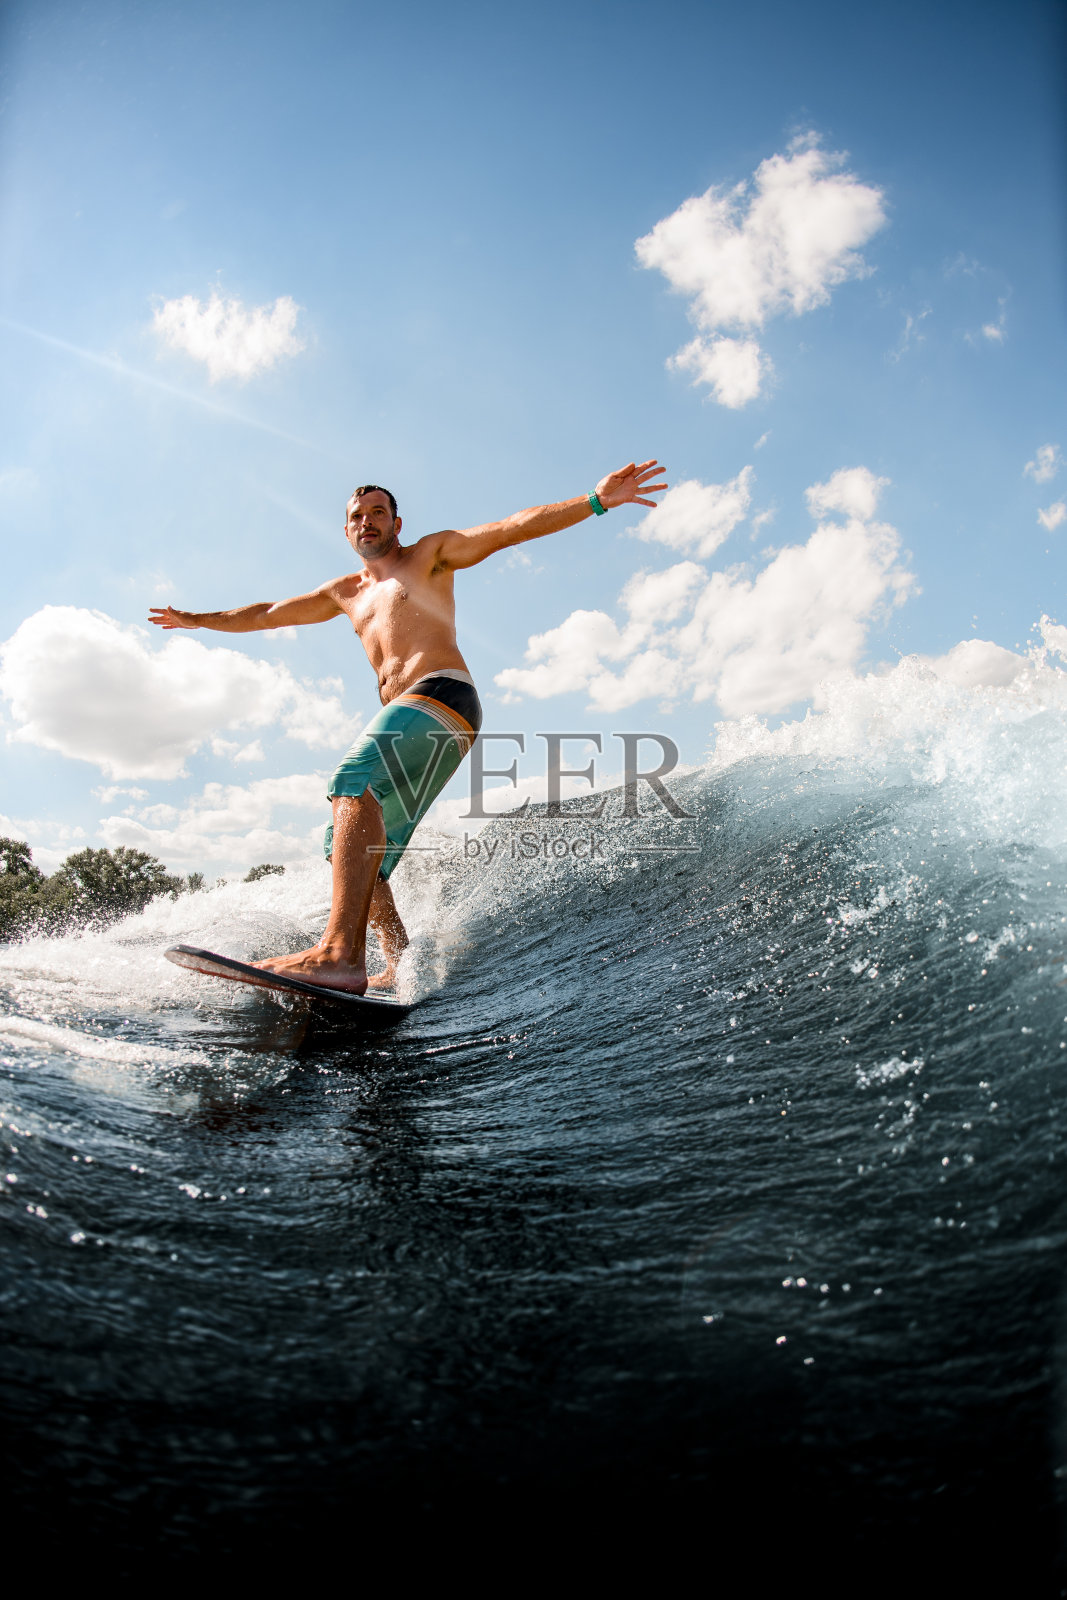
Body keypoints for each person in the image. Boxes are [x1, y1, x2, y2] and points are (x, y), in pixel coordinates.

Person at [149, 459, 668, 994]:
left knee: (353, 779)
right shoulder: (345, 592)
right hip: (418, 718)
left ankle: (338, 954)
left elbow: (510, 529)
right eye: (358, 516)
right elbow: (268, 613)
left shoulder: (430, 555)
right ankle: (397, 963)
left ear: (396, 523)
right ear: (347, 531)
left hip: (443, 694)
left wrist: (595, 500)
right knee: (348, 845)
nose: (367, 521)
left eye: (378, 512)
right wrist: (197, 620)